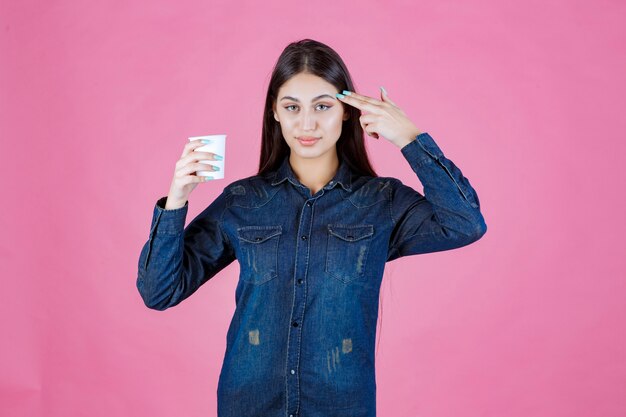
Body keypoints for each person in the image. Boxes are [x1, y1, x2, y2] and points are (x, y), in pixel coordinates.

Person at [136, 38, 487, 417]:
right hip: (250, 405)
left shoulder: (381, 201)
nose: (307, 124)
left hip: (341, 405)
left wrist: (409, 137)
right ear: (275, 112)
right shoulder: (243, 201)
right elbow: (160, 291)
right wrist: (177, 199)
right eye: (292, 107)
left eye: (323, 106)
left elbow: (465, 223)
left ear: (348, 111)